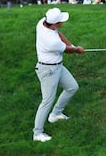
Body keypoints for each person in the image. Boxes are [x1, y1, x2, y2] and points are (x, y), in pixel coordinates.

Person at [33, 8, 85, 142]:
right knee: (47, 101)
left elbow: (59, 34)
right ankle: (37, 133)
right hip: (48, 70)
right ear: (55, 23)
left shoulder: (43, 22)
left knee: (72, 87)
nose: (62, 22)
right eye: (61, 21)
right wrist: (76, 49)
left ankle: (55, 114)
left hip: (57, 66)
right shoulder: (51, 41)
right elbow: (67, 50)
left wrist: (72, 45)